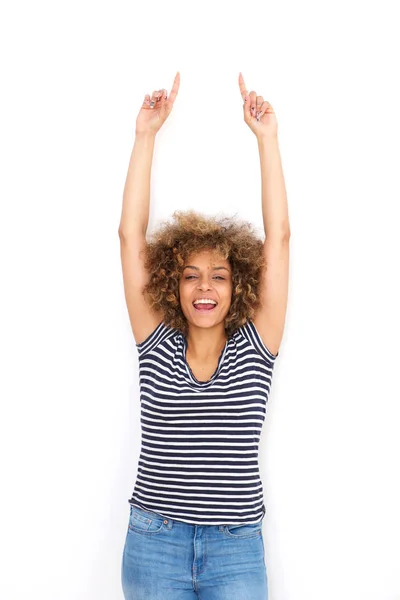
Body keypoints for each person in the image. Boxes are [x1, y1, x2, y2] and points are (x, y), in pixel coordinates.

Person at [118, 71, 290, 600]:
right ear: (175, 284)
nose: (205, 288)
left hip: (235, 548)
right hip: (155, 543)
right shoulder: (157, 342)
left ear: (238, 284)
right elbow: (129, 237)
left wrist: (267, 140)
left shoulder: (256, 348)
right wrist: (145, 135)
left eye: (218, 275)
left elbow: (279, 239)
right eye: (191, 275)